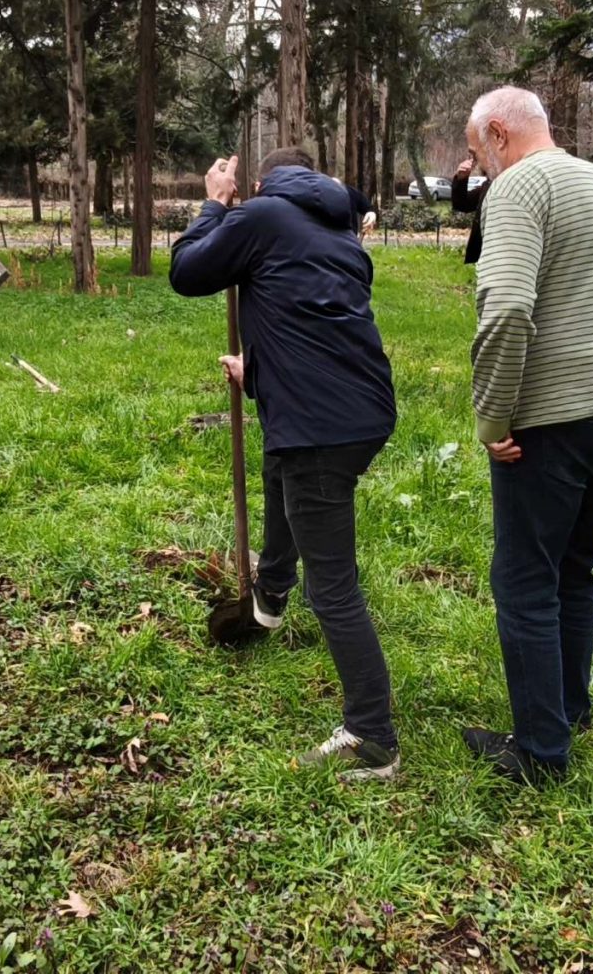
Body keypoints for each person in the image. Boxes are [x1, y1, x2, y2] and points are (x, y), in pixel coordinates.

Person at [171, 147, 403, 781]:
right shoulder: (337, 231)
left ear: (266, 181)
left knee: (334, 586)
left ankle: (373, 737)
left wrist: (215, 202)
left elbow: (188, 272)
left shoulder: (263, 215)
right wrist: (260, 371)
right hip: (360, 408)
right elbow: (316, 320)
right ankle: (270, 591)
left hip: (322, 426)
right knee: (281, 470)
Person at [459, 86, 593, 784]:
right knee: (575, 567)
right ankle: (568, 706)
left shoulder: (517, 189)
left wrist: (494, 417)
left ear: (501, 135)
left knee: (524, 583)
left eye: (480, 151)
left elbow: (506, 307)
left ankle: (540, 753)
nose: (479, 167)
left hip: (554, 422)